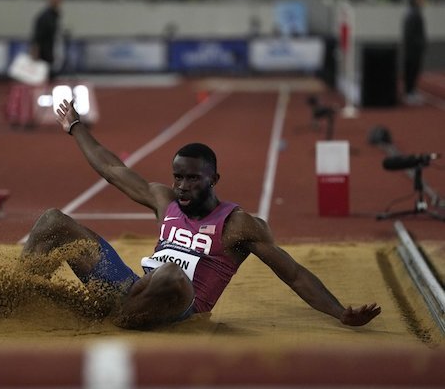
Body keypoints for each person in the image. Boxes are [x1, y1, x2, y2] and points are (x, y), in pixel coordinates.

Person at [22, 99, 382, 330]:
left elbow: (294, 274)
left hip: (178, 306)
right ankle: (15, 297)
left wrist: (339, 312)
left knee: (172, 275)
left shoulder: (238, 225)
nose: (182, 186)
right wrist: (75, 127)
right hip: (132, 291)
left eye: (192, 179)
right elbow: (113, 170)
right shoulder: (165, 201)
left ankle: (115, 320)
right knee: (53, 220)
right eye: (178, 177)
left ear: (214, 180)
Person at [30, 0, 63, 81]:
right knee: (43, 78)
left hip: (51, 52)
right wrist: (35, 50)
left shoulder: (55, 16)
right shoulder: (45, 17)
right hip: (44, 53)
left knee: (50, 77)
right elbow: (37, 35)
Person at [402, 0, 427, 105]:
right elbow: (411, 33)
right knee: (411, 70)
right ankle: (409, 93)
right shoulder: (413, 13)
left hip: (413, 48)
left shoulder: (413, 12)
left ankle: (411, 91)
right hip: (412, 49)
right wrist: (419, 44)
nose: (423, 0)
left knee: (413, 70)